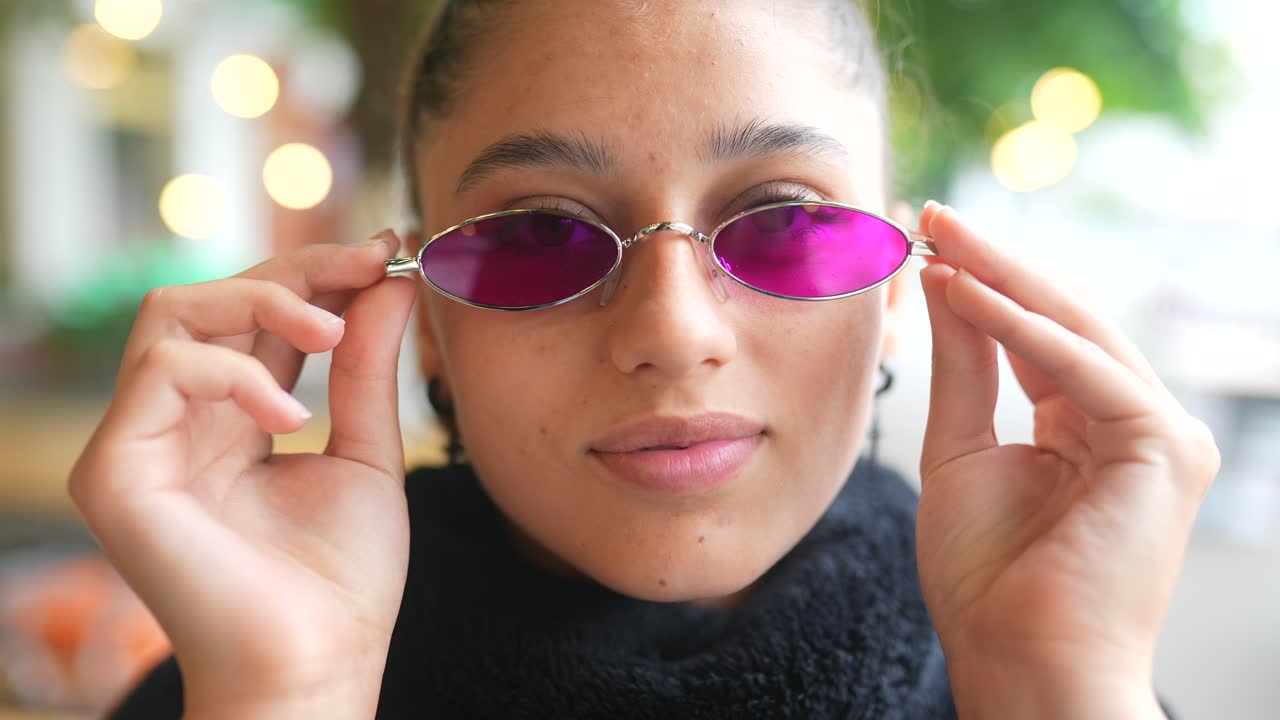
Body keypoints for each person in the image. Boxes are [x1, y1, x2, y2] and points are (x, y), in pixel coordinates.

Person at [69, 0, 1220, 717]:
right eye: (536, 235)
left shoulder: (1059, 672)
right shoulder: (236, 680)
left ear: (893, 290)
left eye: (782, 221)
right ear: (421, 321)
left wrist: (1054, 683)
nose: (672, 333)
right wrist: (290, 691)